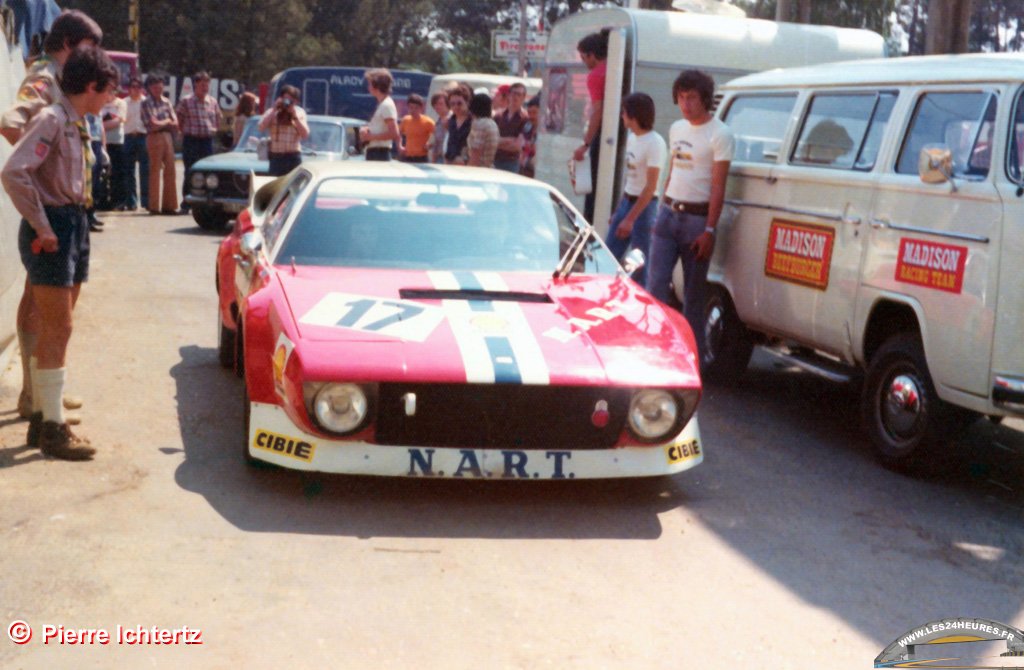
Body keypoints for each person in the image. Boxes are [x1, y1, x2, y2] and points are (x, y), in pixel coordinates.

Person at [1, 44, 120, 459]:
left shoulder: (75, 122)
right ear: (91, 86)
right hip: (54, 228)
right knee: (59, 327)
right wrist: (42, 225)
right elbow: (14, 172)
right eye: (108, 91)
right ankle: (52, 428)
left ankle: (42, 418)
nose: (111, 99)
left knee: (59, 326)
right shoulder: (52, 118)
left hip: (74, 223)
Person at [646, 69, 734, 366]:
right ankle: (653, 353)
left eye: (692, 97)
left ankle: (689, 364)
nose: (686, 104)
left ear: (705, 99)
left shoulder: (720, 134)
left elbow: (718, 185)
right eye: (681, 98)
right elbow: (672, 170)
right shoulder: (676, 129)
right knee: (655, 286)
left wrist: (710, 229)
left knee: (693, 298)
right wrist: (661, 208)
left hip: (697, 220)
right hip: (669, 213)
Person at [605, 92, 665, 287]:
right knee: (608, 255)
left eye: (624, 112)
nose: (622, 116)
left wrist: (630, 219)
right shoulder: (632, 138)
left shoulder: (655, 142)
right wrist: (619, 211)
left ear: (633, 115)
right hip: (627, 201)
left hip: (644, 208)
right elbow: (630, 178)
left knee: (641, 263)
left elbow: (651, 186)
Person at [572, 30, 608, 223]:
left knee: (591, 185)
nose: (584, 62)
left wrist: (586, 143)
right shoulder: (613, 69)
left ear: (592, 54)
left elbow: (598, 111)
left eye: (584, 57)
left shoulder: (595, 75)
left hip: (601, 135)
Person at [176, 71, 222, 213]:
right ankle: (187, 202)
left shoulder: (212, 101)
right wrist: (182, 132)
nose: (205, 87)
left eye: (207, 83)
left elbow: (218, 117)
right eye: (202, 83)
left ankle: (205, 202)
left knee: (208, 172)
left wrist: (215, 128)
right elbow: (179, 118)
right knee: (190, 171)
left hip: (207, 141)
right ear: (195, 84)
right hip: (191, 140)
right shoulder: (186, 101)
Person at [141, 74, 179, 214]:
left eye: (160, 85)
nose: (157, 88)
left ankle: (169, 206)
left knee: (170, 170)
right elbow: (153, 124)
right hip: (153, 137)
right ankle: (154, 206)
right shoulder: (146, 103)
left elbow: (175, 123)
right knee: (155, 171)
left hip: (168, 137)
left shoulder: (167, 102)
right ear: (149, 88)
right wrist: (167, 122)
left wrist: (166, 123)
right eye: (154, 86)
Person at [258, 84, 309, 176]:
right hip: (277, 158)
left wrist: (295, 117)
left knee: (294, 187)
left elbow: (305, 134)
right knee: (275, 185)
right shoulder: (272, 112)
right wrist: (274, 110)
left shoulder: (299, 113)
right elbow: (261, 127)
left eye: (290, 100)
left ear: (296, 102)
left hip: (293, 157)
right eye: (285, 99)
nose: (287, 103)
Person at [359, 68, 400, 161]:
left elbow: (394, 133)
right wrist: (367, 129)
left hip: (380, 153)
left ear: (376, 85)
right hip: (374, 151)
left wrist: (371, 137)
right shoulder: (382, 104)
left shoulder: (387, 105)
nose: (368, 87)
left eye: (370, 83)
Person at [122, 76, 148, 210]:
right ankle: (131, 202)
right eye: (133, 87)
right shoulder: (123, 103)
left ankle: (146, 202)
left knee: (145, 170)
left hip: (143, 137)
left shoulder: (147, 102)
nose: (136, 90)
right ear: (129, 89)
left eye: (138, 87)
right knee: (129, 171)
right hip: (128, 137)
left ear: (142, 89)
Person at [101, 89, 128, 210]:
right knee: (103, 174)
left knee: (118, 173)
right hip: (102, 143)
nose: (109, 93)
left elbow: (118, 121)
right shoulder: (100, 103)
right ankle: (103, 201)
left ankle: (119, 201)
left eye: (112, 90)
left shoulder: (121, 103)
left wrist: (100, 125)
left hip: (117, 141)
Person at [493, 81, 528, 173]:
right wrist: (508, 140)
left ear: (524, 97)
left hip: (512, 162)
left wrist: (498, 141)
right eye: (513, 93)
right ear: (508, 95)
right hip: (495, 160)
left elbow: (517, 146)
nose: (515, 97)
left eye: (519, 94)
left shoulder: (525, 118)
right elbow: (491, 140)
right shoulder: (498, 116)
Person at [84, 111, 106, 230]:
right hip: (89, 141)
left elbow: (101, 128)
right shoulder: (85, 107)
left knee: (96, 182)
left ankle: (92, 214)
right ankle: (86, 218)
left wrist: (104, 147)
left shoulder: (99, 109)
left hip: (97, 143)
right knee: (88, 182)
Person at [398, 93, 433, 163]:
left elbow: (436, 136)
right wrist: (400, 146)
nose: (413, 110)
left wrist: (430, 144)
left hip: (422, 157)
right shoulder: (405, 120)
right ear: (408, 107)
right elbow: (398, 134)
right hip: (407, 156)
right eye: (411, 107)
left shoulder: (428, 122)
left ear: (421, 108)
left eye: (416, 107)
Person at [467, 93, 498, 168]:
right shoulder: (492, 123)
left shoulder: (479, 124)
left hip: (479, 169)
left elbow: (476, 151)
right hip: (489, 168)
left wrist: (468, 171)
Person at [444, 86, 472, 165]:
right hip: (450, 163)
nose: (456, 106)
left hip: (467, 165)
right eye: (452, 104)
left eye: (459, 103)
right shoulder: (450, 121)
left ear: (467, 102)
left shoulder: (473, 121)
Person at [520, 95, 540, 178]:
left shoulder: (547, 133)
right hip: (523, 170)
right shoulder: (527, 127)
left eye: (534, 112)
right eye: (529, 113)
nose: (531, 116)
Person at [428, 92, 449, 164]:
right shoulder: (438, 121)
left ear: (447, 104)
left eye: (440, 104)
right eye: (435, 104)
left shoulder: (451, 119)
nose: (437, 106)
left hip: (448, 158)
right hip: (439, 158)